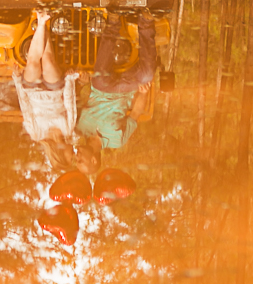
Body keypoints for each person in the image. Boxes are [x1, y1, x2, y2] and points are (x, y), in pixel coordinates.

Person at [75, 10, 157, 174]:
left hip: (101, 88)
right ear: (93, 159)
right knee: (147, 75)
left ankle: (113, 21)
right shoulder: (117, 141)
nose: (76, 156)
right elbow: (135, 115)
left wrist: (80, 83)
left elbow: (74, 100)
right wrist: (143, 93)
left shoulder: (78, 129)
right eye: (80, 160)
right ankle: (146, 22)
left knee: (99, 79)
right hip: (125, 90)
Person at [12, 9, 80, 171]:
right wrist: (69, 80)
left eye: (71, 156)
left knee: (33, 63)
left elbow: (26, 108)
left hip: (33, 91)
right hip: (54, 91)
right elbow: (70, 104)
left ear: (60, 154)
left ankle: (41, 21)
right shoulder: (69, 129)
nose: (74, 152)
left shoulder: (36, 134)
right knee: (48, 60)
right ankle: (44, 22)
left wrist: (16, 80)